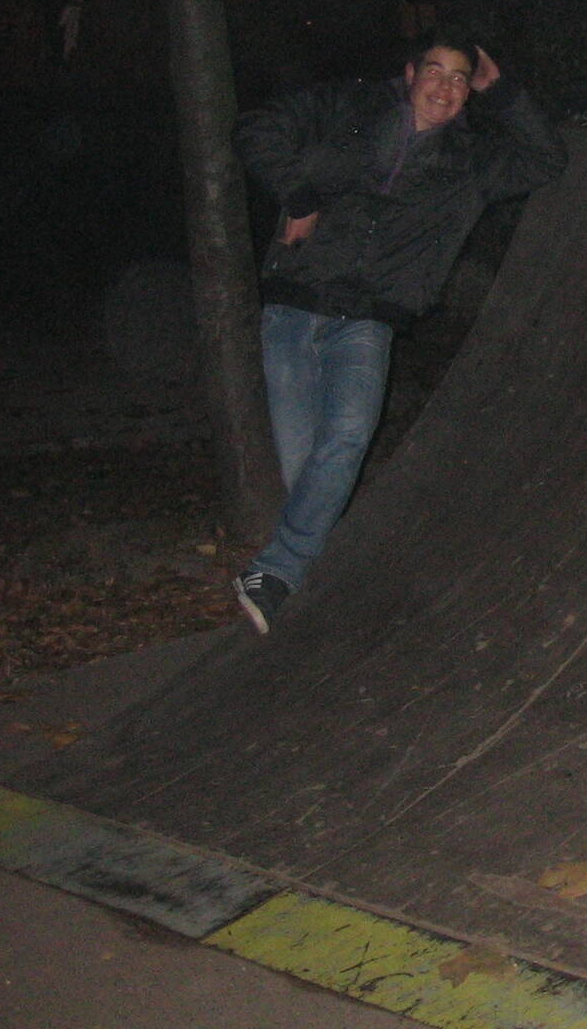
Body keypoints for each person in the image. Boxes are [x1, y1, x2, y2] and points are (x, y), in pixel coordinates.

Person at [229, 31, 568, 635]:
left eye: (460, 79)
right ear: (409, 75)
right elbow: (256, 129)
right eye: (435, 72)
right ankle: (315, 584)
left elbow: (545, 159)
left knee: (347, 437)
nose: (445, 88)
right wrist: (299, 196)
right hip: (293, 309)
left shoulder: (469, 164)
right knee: (307, 466)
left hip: (368, 320)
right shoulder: (345, 111)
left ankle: (273, 572)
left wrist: (502, 90)